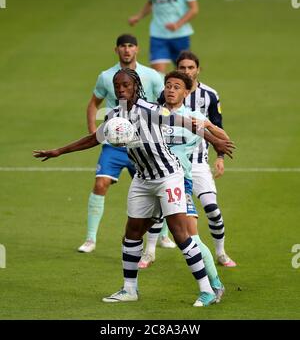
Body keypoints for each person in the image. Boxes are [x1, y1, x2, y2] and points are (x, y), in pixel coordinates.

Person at [33, 68, 235, 307]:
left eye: (125, 85)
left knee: (181, 234)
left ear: (135, 86)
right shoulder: (115, 116)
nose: (120, 89)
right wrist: (59, 151)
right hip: (142, 179)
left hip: (168, 176)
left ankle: (206, 290)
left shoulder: (151, 110)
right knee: (131, 235)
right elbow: (93, 139)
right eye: (117, 85)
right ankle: (129, 290)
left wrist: (215, 140)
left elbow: (187, 123)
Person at [78, 33, 175, 253]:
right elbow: (94, 103)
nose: (127, 50)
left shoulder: (151, 75)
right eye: (123, 46)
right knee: (100, 183)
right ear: (117, 50)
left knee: (157, 188)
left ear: (137, 49)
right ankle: (90, 238)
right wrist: (94, 131)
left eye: (131, 46)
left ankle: (164, 235)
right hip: (114, 144)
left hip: (142, 144)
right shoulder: (106, 76)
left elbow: (164, 103)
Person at [138, 71, 226, 301]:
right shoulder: (153, 113)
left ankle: (214, 284)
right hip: (151, 180)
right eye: (168, 85)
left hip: (178, 181)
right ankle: (130, 285)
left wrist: (209, 126)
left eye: (177, 87)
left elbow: (223, 137)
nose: (170, 90)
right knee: (132, 233)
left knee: (190, 237)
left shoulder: (193, 116)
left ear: (186, 92)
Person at [177, 51, 236, 267]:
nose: (186, 72)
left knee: (212, 209)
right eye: (182, 68)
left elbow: (218, 127)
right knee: (160, 212)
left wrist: (220, 157)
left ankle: (220, 253)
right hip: (173, 163)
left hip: (199, 163)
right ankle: (150, 252)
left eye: (190, 68)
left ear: (198, 70)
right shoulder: (168, 95)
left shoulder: (209, 95)